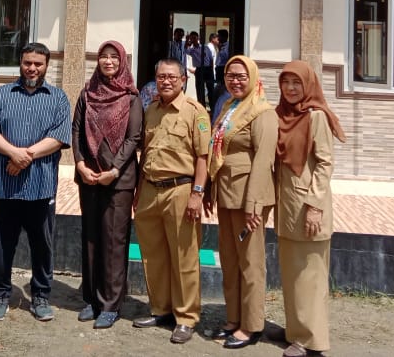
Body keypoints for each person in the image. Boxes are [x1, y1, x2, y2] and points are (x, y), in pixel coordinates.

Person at [0, 42, 72, 323]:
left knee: (42, 245)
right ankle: (0, 295)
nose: (32, 68)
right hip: (5, 187)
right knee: (1, 244)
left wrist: (24, 156)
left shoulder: (58, 98)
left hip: (41, 186)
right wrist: (12, 152)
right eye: (27, 63)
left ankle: (41, 296)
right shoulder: (2, 94)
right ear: (19, 63)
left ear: (47, 66)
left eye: (38, 63)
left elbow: (59, 137)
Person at [133, 58, 211, 344]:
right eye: (161, 77)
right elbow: (146, 152)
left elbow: (204, 157)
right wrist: (140, 189)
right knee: (154, 255)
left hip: (181, 190)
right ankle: (161, 308)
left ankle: (187, 317)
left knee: (184, 257)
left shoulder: (195, 112)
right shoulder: (151, 110)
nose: (166, 82)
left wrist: (197, 194)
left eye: (171, 77)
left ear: (182, 80)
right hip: (150, 189)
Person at [203, 55, 278, 349]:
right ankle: (234, 318)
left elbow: (263, 160)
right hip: (226, 194)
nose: (235, 80)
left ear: (253, 77)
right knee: (230, 261)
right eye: (230, 75)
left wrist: (255, 204)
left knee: (251, 263)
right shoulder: (228, 107)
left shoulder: (262, 112)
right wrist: (210, 189)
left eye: (241, 76)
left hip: (248, 198)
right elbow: (215, 150)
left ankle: (252, 325)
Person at [275, 61, 346, 357]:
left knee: (311, 275)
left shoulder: (316, 116)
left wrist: (315, 205)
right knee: (292, 272)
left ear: (309, 85)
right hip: (287, 205)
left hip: (307, 207)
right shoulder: (282, 115)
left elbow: (325, 163)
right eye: (286, 82)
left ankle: (311, 340)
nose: (290, 88)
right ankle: (296, 330)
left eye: (297, 83)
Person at [72, 41, 143, 329]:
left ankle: (111, 304)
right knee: (90, 238)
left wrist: (114, 170)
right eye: (104, 56)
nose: (109, 61)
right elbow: (76, 130)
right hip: (89, 175)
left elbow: (134, 138)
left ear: (123, 61)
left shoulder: (131, 97)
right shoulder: (87, 93)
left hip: (118, 180)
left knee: (113, 241)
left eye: (115, 57)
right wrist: (79, 164)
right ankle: (91, 299)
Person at [185, 32, 215, 109]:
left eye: (195, 38)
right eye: (192, 38)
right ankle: (202, 108)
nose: (193, 40)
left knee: (210, 89)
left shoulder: (205, 47)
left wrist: (211, 70)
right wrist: (187, 40)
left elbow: (211, 59)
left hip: (208, 69)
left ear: (198, 38)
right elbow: (185, 50)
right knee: (199, 89)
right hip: (199, 69)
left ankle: (212, 108)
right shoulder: (192, 50)